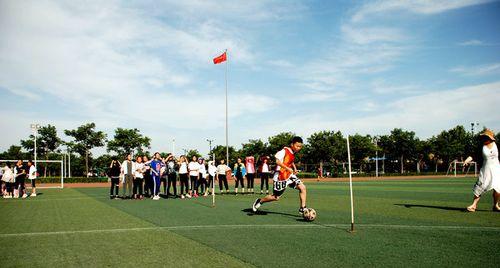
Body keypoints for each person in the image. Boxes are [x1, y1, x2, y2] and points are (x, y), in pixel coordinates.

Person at [252, 136, 308, 214]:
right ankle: (260, 201)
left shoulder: (293, 152)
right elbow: (277, 161)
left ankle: (303, 208)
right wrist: (288, 168)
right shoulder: (284, 151)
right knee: (275, 197)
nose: (299, 148)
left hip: (289, 175)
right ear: (292, 144)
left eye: (300, 146)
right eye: (297, 146)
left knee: (302, 188)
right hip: (280, 176)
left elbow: (290, 161)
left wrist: (294, 168)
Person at [467, 129, 500, 212]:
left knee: (497, 190)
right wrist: (466, 160)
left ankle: (496, 205)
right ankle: (474, 205)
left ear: (490, 138)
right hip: (486, 170)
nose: (483, 139)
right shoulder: (481, 147)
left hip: (497, 170)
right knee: (480, 188)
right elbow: (473, 155)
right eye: (483, 138)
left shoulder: (497, 145)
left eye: (485, 137)